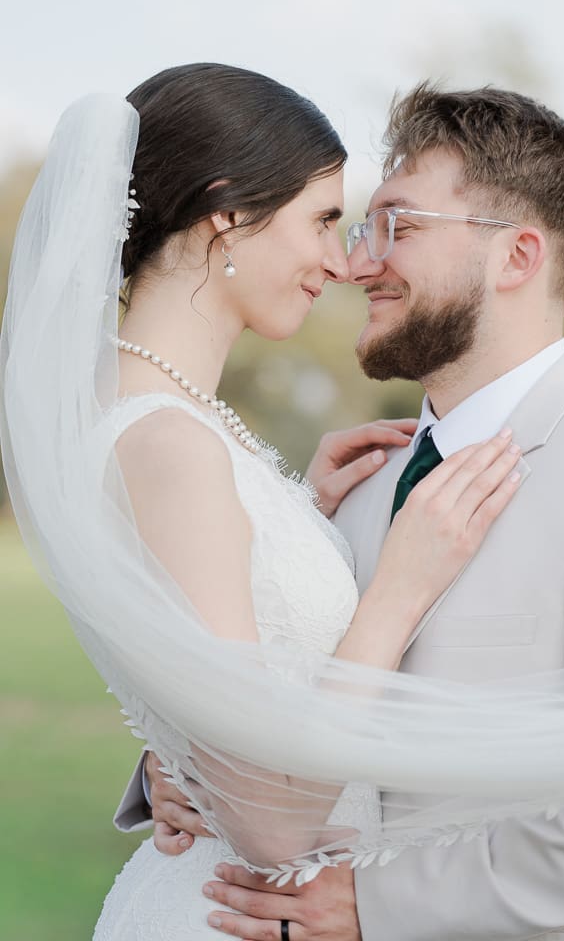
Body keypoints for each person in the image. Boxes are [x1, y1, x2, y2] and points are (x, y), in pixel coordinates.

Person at [138, 86, 564, 940]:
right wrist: (186, 766)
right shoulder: (360, 481)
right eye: (362, 228)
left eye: (400, 226)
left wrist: (384, 906)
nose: (357, 264)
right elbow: (280, 682)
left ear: (516, 257)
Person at [0, 64, 524, 941]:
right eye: (322, 220)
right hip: (241, 913)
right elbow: (269, 825)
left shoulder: (153, 419)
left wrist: (292, 518)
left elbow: (216, 661)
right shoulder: (175, 445)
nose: (343, 260)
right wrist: (398, 587)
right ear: (227, 212)